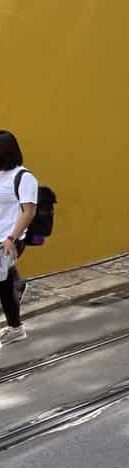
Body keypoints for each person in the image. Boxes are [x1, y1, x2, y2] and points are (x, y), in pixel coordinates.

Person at [0, 131, 37, 346]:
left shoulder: (23, 177)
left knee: (3, 286)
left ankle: (16, 329)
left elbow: (28, 211)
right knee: (4, 285)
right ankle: (17, 284)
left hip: (8, 241)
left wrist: (11, 238)